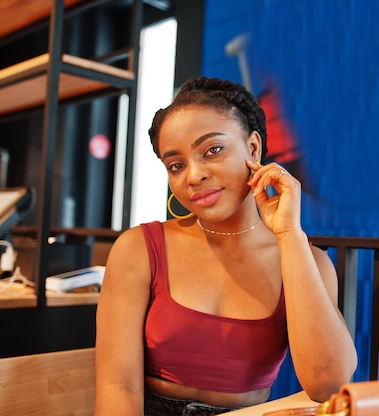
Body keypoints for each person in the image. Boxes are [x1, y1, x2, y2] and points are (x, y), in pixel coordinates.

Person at [94, 76, 358, 415]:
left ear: (253, 148)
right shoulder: (138, 249)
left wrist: (289, 236)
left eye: (212, 150)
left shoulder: (310, 261)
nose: (193, 176)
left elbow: (329, 385)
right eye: (176, 165)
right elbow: (118, 388)